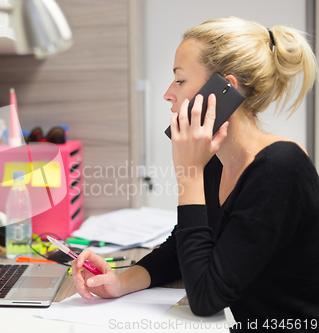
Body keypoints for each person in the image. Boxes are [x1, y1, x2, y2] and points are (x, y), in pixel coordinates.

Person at [72, 17, 319, 332]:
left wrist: (188, 175)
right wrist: (119, 283)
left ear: (223, 89)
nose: (168, 94)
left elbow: (205, 298)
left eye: (179, 80)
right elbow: (183, 248)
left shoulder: (280, 168)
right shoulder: (218, 161)